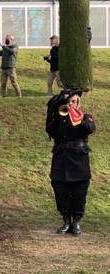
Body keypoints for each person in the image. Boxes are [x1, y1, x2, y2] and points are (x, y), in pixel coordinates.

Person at [46, 90, 96, 235]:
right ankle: (66, 220)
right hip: (61, 160)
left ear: (78, 104)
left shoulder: (86, 117)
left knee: (79, 193)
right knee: (60, 190)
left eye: (73, 101)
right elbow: (49, 129)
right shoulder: (59, 118)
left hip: (79, 162)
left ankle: (76, 222)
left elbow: (90, 128)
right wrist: (57, 114)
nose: (70, 104)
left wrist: (76, 117)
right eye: (68, 102)